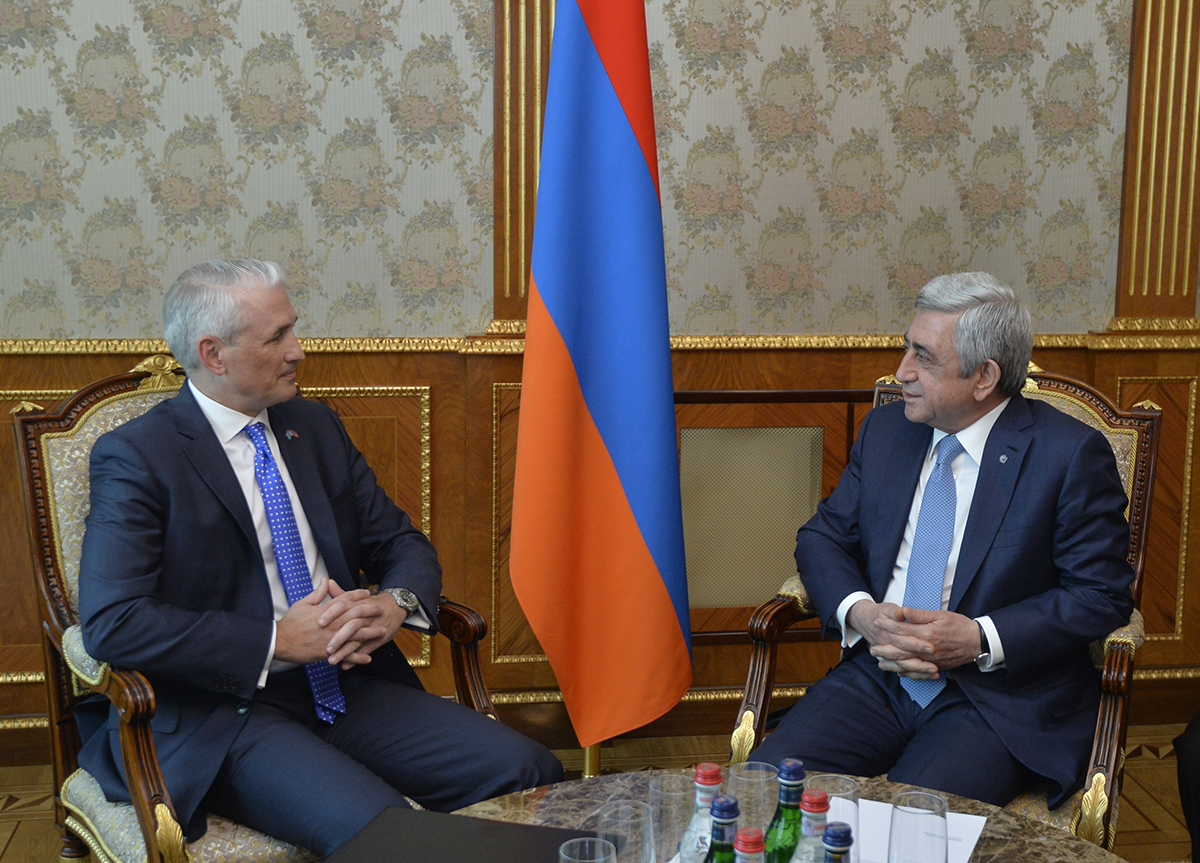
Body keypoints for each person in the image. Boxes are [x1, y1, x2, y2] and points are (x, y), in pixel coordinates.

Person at [77, 259, 562, 856]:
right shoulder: (138, 455)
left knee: (528, 771)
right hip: (225, 711)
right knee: (386, 833)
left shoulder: (313, 426)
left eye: (293, 328)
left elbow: (401, 543)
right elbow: (114, 622)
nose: (298, 350)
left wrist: (394, 603)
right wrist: (275, 641)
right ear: (213, 354)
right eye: (276, 337)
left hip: (344, 683)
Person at [750, 272, 1134, 808]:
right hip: (880, 672)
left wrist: (978, 637)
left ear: (984, 377)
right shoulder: (887, 431)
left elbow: (1100, 594)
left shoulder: (1068, 455)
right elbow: (823, 537)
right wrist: (863, 614)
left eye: (924, 358)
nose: (902, 371)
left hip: (997, 699)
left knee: (912, 825)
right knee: (764, 791)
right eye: (907, 347)